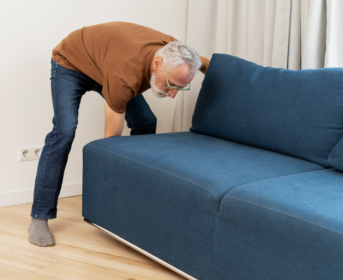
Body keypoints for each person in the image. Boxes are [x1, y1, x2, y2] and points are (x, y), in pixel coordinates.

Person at [28, 21, 210, 247]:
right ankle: (39, 216)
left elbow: (203, 63)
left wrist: (229, 77)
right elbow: (110, 146)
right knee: (64, 131)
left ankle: (135, 195)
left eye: (181, 87)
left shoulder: (177, 52)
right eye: (172, 84)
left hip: (106, 62)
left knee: (146, 121)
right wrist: (108, 196)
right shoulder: (126, 74)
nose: (173, 95)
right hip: (71, 62)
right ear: (157, 63)